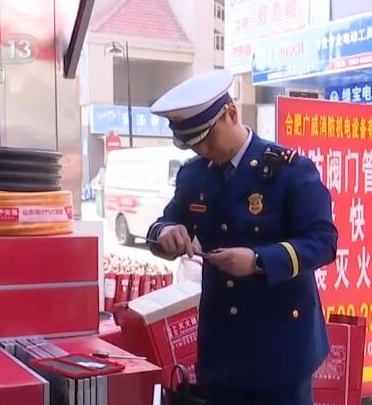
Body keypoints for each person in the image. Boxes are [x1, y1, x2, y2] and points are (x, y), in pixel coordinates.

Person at [145, 69, 338, 405]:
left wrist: (259, 261)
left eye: (207, 138)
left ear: (231, 114)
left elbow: (323, 241)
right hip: (222, 347)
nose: (202, 149)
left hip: (281, 347)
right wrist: (166, 233)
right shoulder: (194, 175)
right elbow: (165, 222)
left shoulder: (289, 171)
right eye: (193, 143)